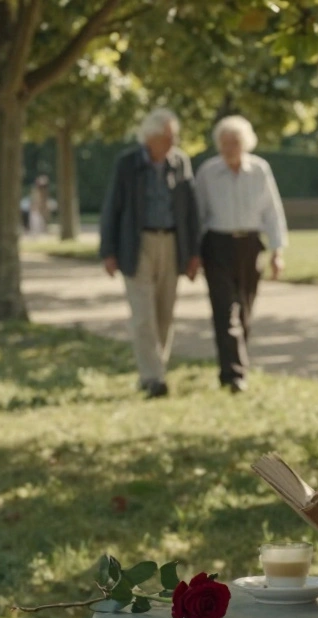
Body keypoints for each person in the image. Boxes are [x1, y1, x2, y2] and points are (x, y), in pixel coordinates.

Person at [99, 108, 201, 399]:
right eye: (168, 137)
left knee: (165, 313)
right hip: (137, 242)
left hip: (171, 243)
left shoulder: (181, 162)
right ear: (151, 137)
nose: (173, 141)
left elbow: (191, 210)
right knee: (143, 314)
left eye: (174, 136)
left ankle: (155, 369)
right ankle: (153, 376)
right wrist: (108, 251)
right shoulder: (128, 164)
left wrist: (194, 252)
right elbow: (112, 208)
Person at [195, 115, 288, 393]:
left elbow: (272, 212)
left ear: (245, 143)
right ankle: (232, 375)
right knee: (224, 312)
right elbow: (198, 215)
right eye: (224, 143)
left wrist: (277, 251)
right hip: (217, 244)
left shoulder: (260, 170)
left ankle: (237, 364)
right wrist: (193, 253)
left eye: (234, 142)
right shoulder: (208, 172)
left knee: (245, 310)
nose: (229, 148)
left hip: (249, 245)